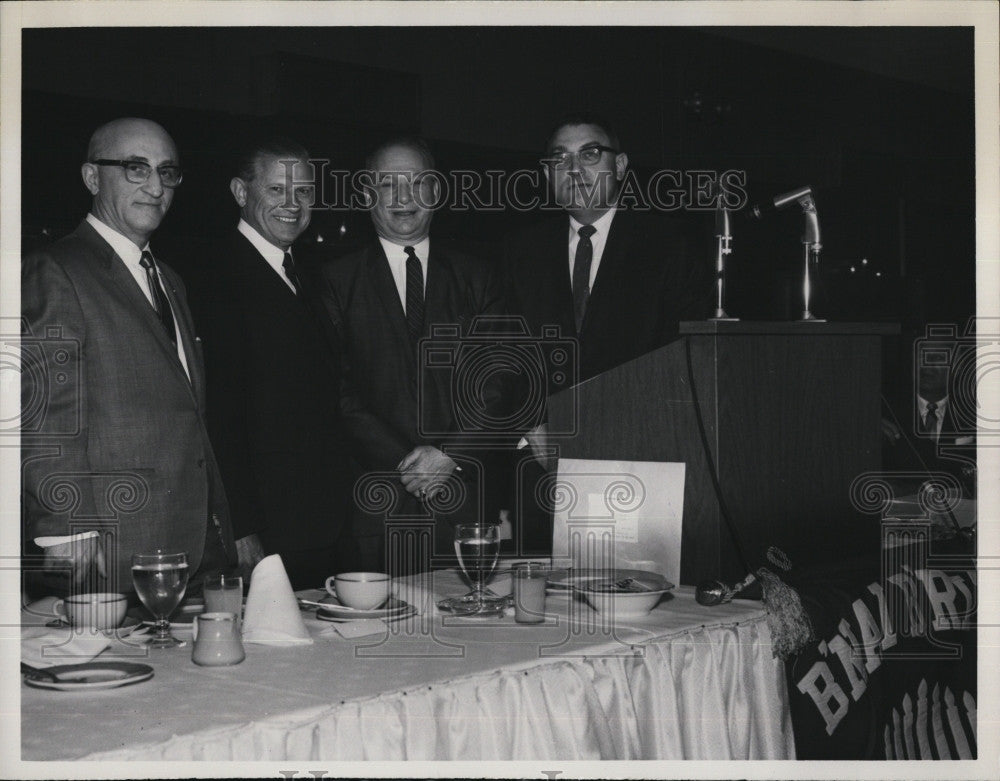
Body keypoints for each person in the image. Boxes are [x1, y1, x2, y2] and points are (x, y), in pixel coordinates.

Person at [21, 118, 238, 597]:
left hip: (193, 540)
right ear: (92, 177)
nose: (156, 186)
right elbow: (45, 412)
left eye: (167, 172)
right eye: (135, 169)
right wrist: (66, 526)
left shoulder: (169, 279)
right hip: (112, 547)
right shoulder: (55, 269)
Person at [502, 112, 711, 551]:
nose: (573, 169)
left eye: (590, 154)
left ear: (619, 166)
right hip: (543, 469)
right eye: (559, 158)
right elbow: (504, 351)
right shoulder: (519, 251)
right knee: (547, 609)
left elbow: (684, 361)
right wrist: (532, 423)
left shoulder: (669, 248)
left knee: (636, 605)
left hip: (640, 466)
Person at [316, 137, 505, 573]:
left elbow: (497, 382)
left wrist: (447, 455)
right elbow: (337, 391)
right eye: (388, 184)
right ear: (367, 194)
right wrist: (411, 465)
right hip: (376, 505)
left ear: (436, 193)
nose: (404, 198)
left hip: (463, 500)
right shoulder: (334, 281)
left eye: (417, 183)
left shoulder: (478, 276)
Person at [196, 137, 355, 589]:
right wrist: (242, 529)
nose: (293, 204)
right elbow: (218, 416)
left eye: (303, 191)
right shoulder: (218, 279)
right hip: (268, 531)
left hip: (322, 524)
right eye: (276, 190)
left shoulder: (304, 273)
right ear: (240, 193)